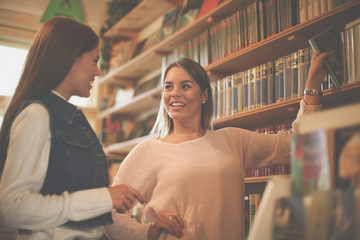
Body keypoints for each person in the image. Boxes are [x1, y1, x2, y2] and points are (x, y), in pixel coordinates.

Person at [104, 51, 330, 240]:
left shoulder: (232, 140)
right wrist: (147, 232)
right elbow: (108, 213)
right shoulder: (148, 151)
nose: (174, 94)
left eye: (185, 86)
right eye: (168, 87)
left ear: (204, 95)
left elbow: (297, 144)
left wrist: (312, 86)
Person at [0, 16, 145, 239]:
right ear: (69, 59)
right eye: (94, 61)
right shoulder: (37, 114)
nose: (98, 72)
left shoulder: (68, 117)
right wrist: (103, 198)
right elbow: (12, 207)